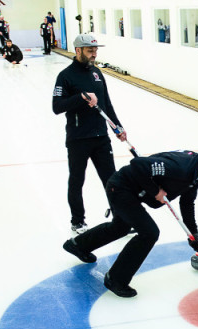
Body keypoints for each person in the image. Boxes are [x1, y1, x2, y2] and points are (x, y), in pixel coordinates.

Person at [62, 149, 198, 297]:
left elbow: (187, 203)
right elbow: (138, 164)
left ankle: (78, 245)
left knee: (120, 226)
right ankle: (115, 279)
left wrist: (193, 234)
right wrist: (155, 190)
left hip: (133, 192)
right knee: (149, 233)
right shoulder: (181, 167)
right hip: (121, 188)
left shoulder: (196, 174)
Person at [52, 34, 127, 234]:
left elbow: (106, 103)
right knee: (77, 180)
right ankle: (77, 221)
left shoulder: (97, 73)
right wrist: (81, 97)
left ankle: (120, 220)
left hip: (101, 137)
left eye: (95, 50)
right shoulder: (65, 76)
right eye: (89, 50)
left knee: (112, 181)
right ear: (78, 51)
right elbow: (57, 107)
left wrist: (116, 127)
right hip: (78, 138)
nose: (94, 54)